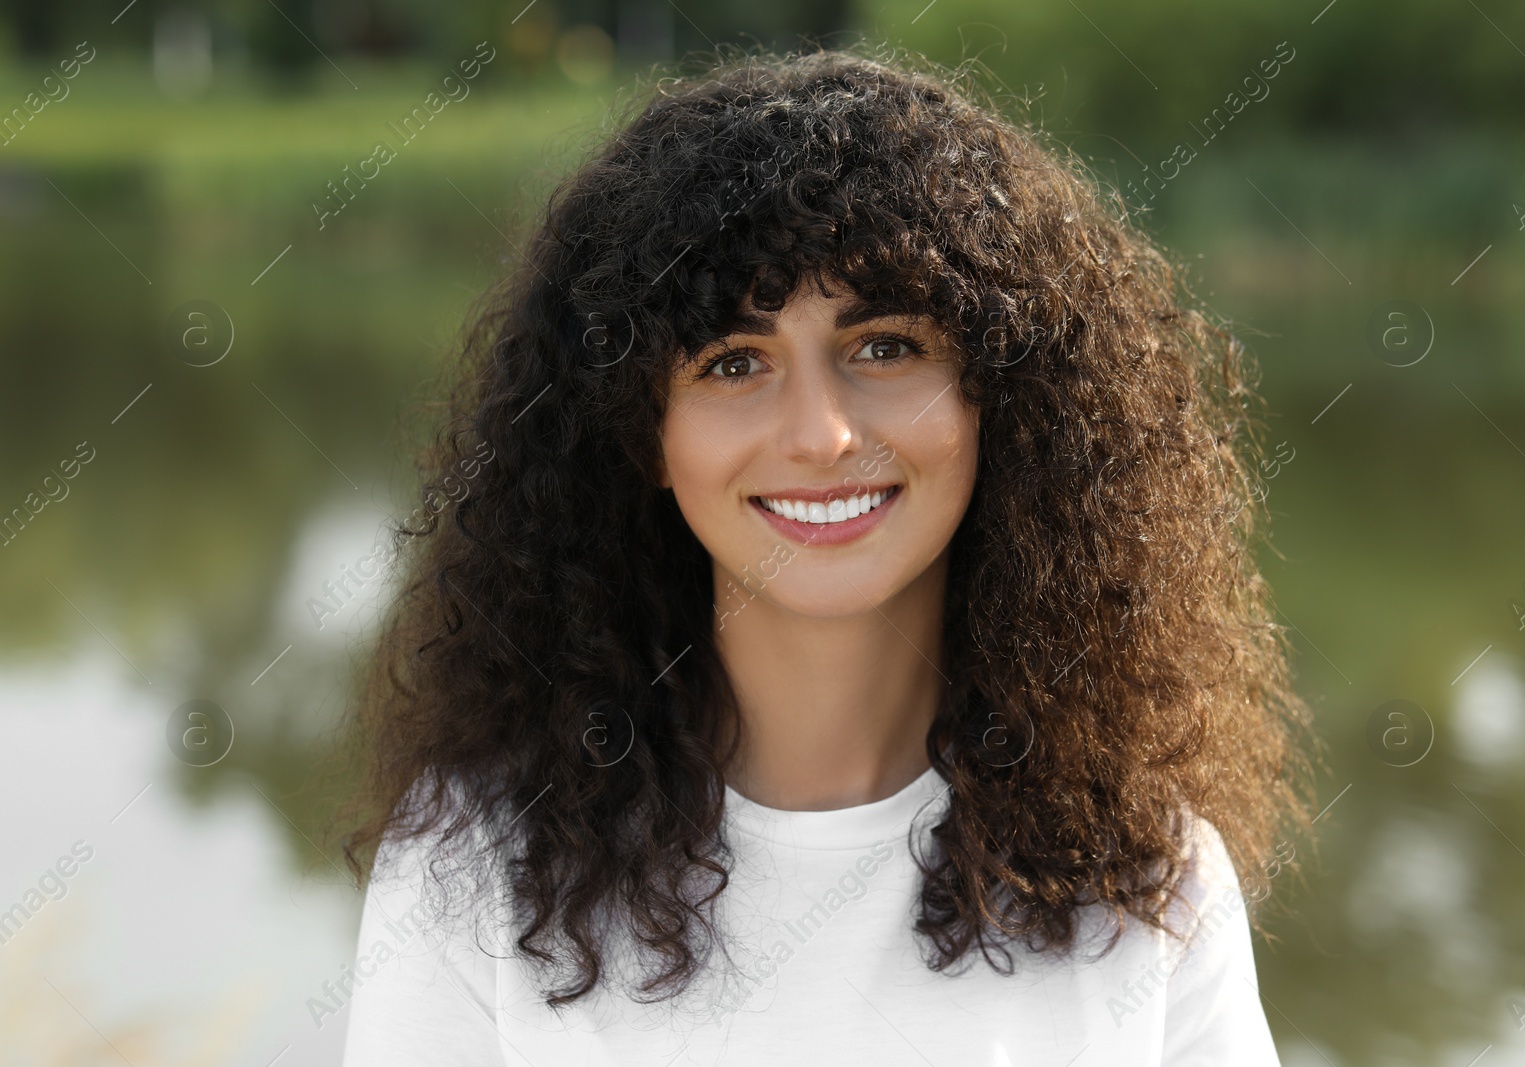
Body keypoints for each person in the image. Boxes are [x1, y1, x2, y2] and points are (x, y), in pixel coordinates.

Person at [332, 44, 1320, 1066]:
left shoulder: (1149, 874)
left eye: (885, 345)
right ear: (638, 438)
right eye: (733, 362)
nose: (821, 433)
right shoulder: (478, 855)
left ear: (999, 397)